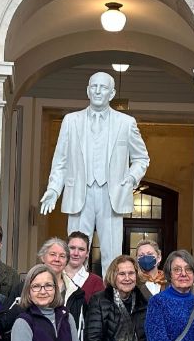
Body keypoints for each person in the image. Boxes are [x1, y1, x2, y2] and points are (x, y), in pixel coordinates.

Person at [39, 71, 151, 266]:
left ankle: (111, 294)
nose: (98, 91)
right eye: (94, 87)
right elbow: (60, 161)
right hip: (79, 194)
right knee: (75, 252)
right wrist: (54, 189)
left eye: (104, 88)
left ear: (112, 93)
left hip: (112, 194)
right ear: (88, 91)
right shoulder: (71, 121)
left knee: (112, 253)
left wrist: (131, 178)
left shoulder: (126, 123)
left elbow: (142, 158)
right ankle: (74, 293)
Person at [66, 230, 106, 302]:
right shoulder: (54, 276)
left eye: (81, 249)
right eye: (72, 248)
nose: (76, 253)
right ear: (65, 250)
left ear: (87, 253)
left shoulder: (96, 282)